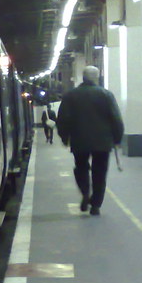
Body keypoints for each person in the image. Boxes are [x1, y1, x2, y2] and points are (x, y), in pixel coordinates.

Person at [56, 65, 124, 216]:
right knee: (100, 172)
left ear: (83, 77)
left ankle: (85, 192)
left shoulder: (70, 96)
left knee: (81, 168)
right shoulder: (106, 95)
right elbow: (116, 119)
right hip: (103, 142)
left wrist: (64, 137)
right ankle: (96, 205)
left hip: (79, 140)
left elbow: (62, 119)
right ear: (97, 77)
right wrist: (118, 139)